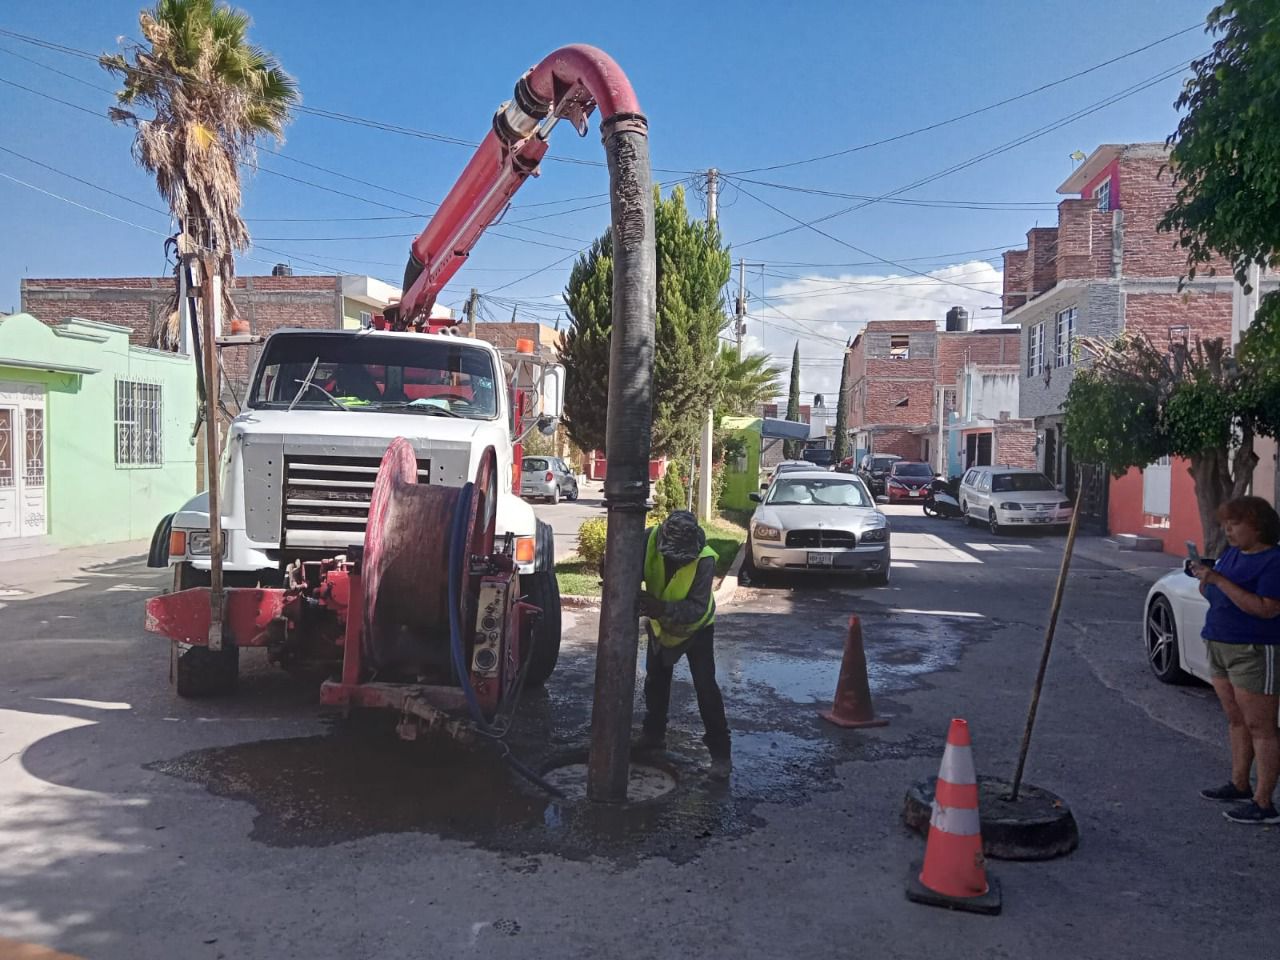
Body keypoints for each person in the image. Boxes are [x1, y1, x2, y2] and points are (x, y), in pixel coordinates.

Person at [1191, 495, 1280, 824]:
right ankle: (1240, 783)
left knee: (1262, 726)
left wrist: (1220, 581)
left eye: (1236, 523)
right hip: (1220, 642)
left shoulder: (1273, 561)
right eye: (1226, 522)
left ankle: (1264, 802)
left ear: (1257, 527)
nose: (1228, 529)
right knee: (1236, 720)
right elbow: (1213, 593)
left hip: (1254, 650)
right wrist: (1205, 577)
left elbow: (1266, 608)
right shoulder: (1231, 555)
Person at [634, 510, 732, 780]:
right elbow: (628, 569)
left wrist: (660, 607)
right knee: (656, 681)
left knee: (705, 688)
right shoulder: (649, 541)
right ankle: (653, 737)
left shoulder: (704, 560)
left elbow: (697, 608)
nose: (677, 564)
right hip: (661, 628)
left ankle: (721, 754)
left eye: (681, 559)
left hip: (696, 630)